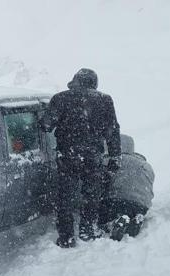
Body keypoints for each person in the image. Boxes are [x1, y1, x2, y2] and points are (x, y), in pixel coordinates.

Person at [47, 68, 121, 248]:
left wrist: (49, 119)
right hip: (92, 157)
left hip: (68, 156)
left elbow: (46, 125)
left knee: (65, 197)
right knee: (91, 195)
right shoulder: (104, 100)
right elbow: (112, 131)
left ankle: (66, 237)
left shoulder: (60, 98)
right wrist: (114, 157)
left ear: (75, 81)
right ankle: (87, 231)